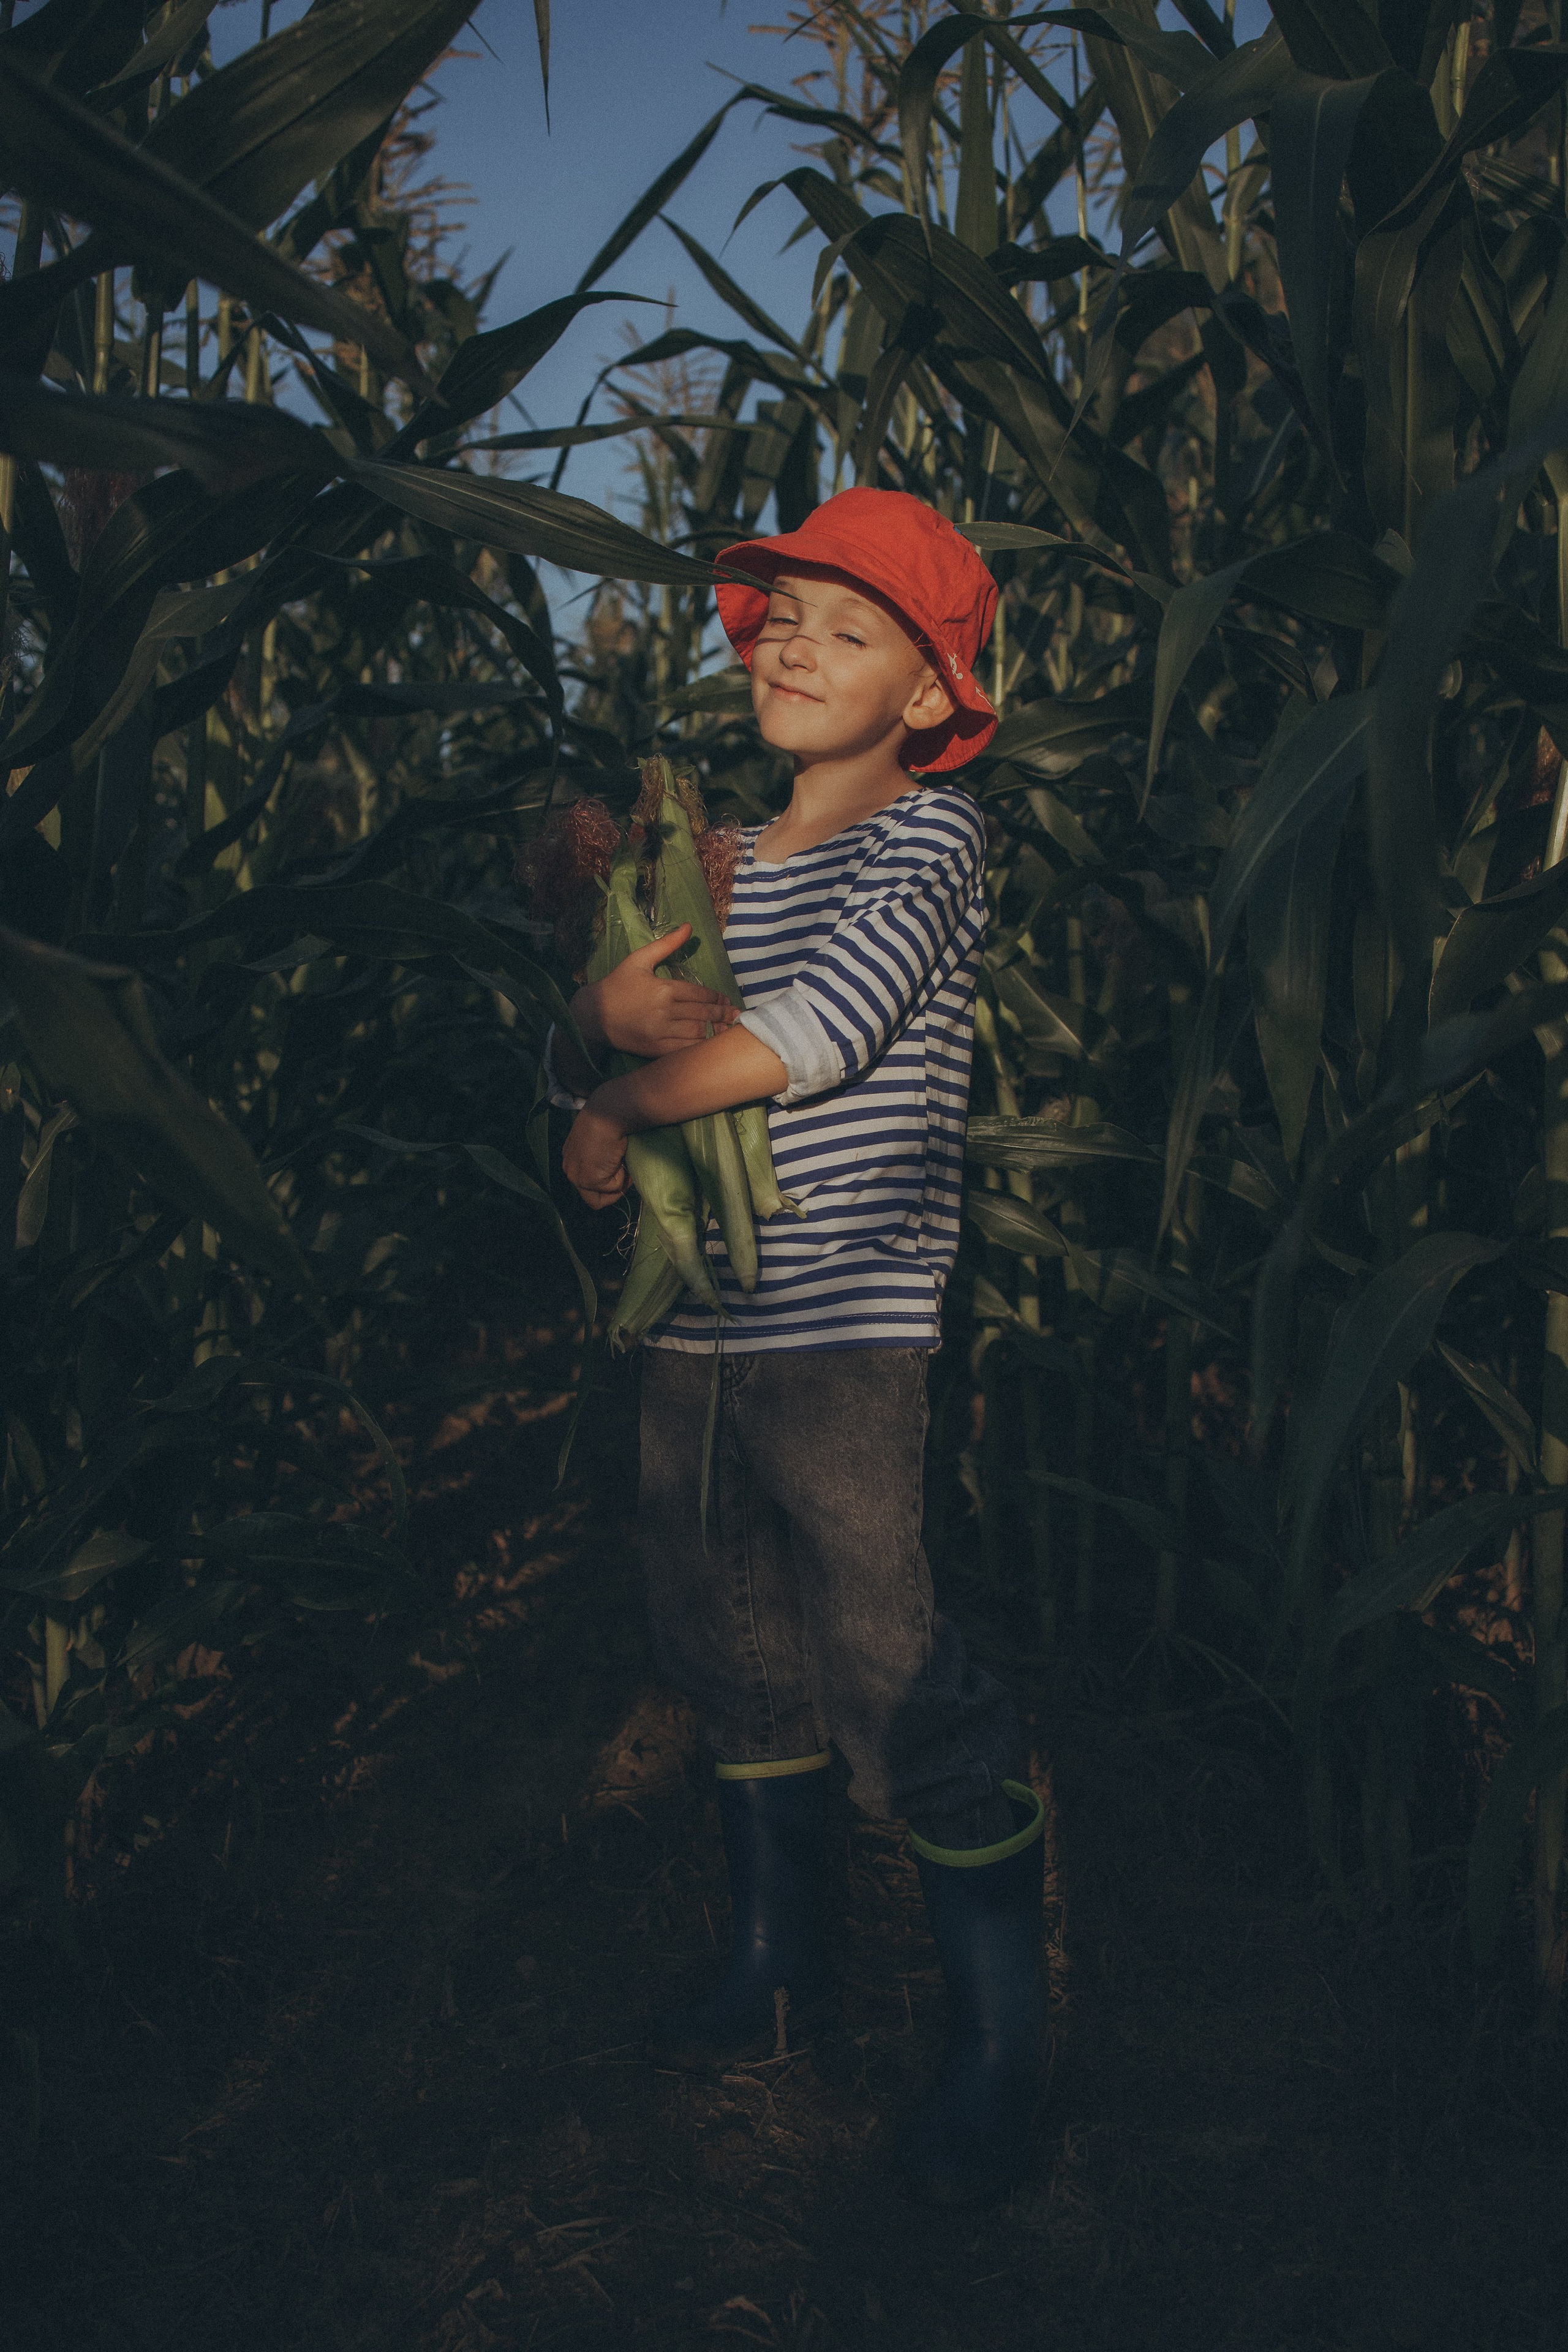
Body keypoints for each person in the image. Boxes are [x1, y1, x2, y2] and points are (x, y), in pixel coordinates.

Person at [552, 488, 1047, 2207]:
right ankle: (780, 1966)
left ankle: (1003, 2045)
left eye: (849, 628)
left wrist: (630, 1086)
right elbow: (632, 1043)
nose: (793, 644)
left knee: (882, 1657)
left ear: (928, 697)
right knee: (726, 1637)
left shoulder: (930, 844)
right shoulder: (714, 863)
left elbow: (813, 1036)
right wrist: (599, 1030)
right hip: (695, 1325)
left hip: (840, 1327)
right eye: (779, 619)